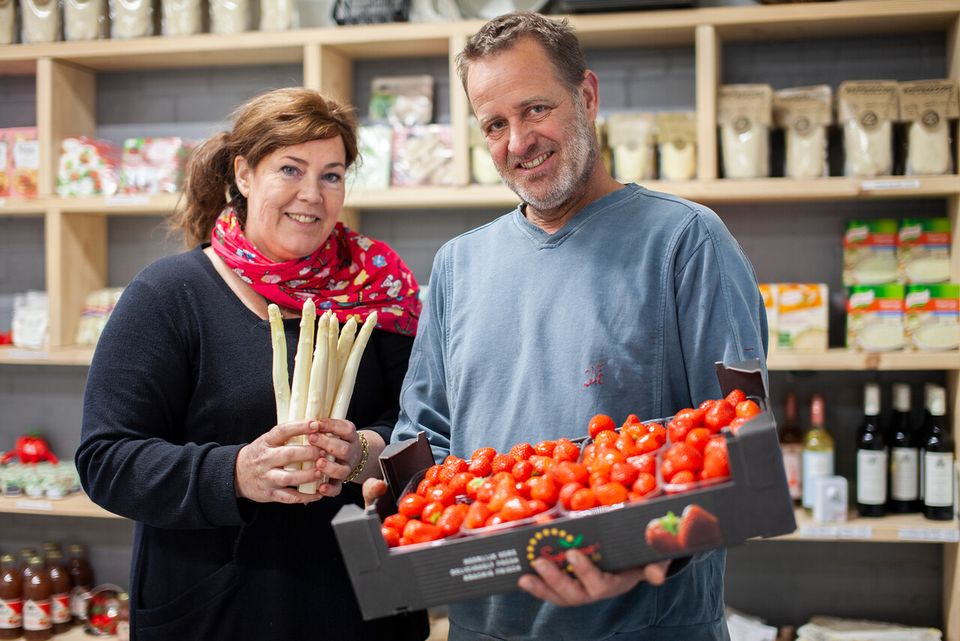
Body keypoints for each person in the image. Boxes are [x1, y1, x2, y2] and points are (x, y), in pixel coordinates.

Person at [378, 12, 767, 641]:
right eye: (495, 125)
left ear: (586, 96)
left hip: (646, 625)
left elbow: (738, 443)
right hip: (487, 624)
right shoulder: (458, 264)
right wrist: (385, 476)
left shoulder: (687, 241)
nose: (518, 141)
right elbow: (426, 435)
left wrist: (649, 548)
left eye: (536, 109)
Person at [77, 87, 428, 641]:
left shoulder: (376, 288)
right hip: (218, 608)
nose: (311, 194)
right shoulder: (169, 295)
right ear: (243, 173)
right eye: (290, 169)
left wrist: (366, 452)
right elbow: (106, 460)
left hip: (363, 603)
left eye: (332, 175)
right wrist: (238, 472)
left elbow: (421, 428)